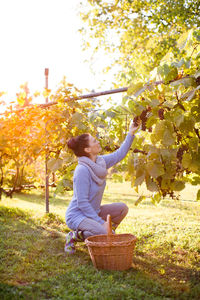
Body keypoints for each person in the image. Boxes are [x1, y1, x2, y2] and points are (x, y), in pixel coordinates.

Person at [64, 122, 140, 254]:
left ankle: (106, 232)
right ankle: (74, 236)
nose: (97, 142)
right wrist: (101, 222)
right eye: (94, 141)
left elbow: (119, 154)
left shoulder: (100, 162)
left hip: (93, 211)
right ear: (87, 150)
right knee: (102, 231)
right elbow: (82, 202)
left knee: (122, 209)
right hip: (77, 215)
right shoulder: (82, 170)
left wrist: (131, 133)